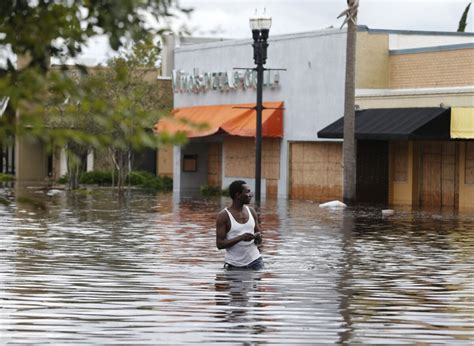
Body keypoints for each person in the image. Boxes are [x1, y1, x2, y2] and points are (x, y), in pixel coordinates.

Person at [216, 180, 263, 270]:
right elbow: (220, 244)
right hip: (233, 265)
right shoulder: (223, 216)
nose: (251, 195)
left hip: (256, 262)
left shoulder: (252, 211)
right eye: (247, 192)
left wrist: (258, 237)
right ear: (237, 195)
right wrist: (241, 238)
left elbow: (259, 240)